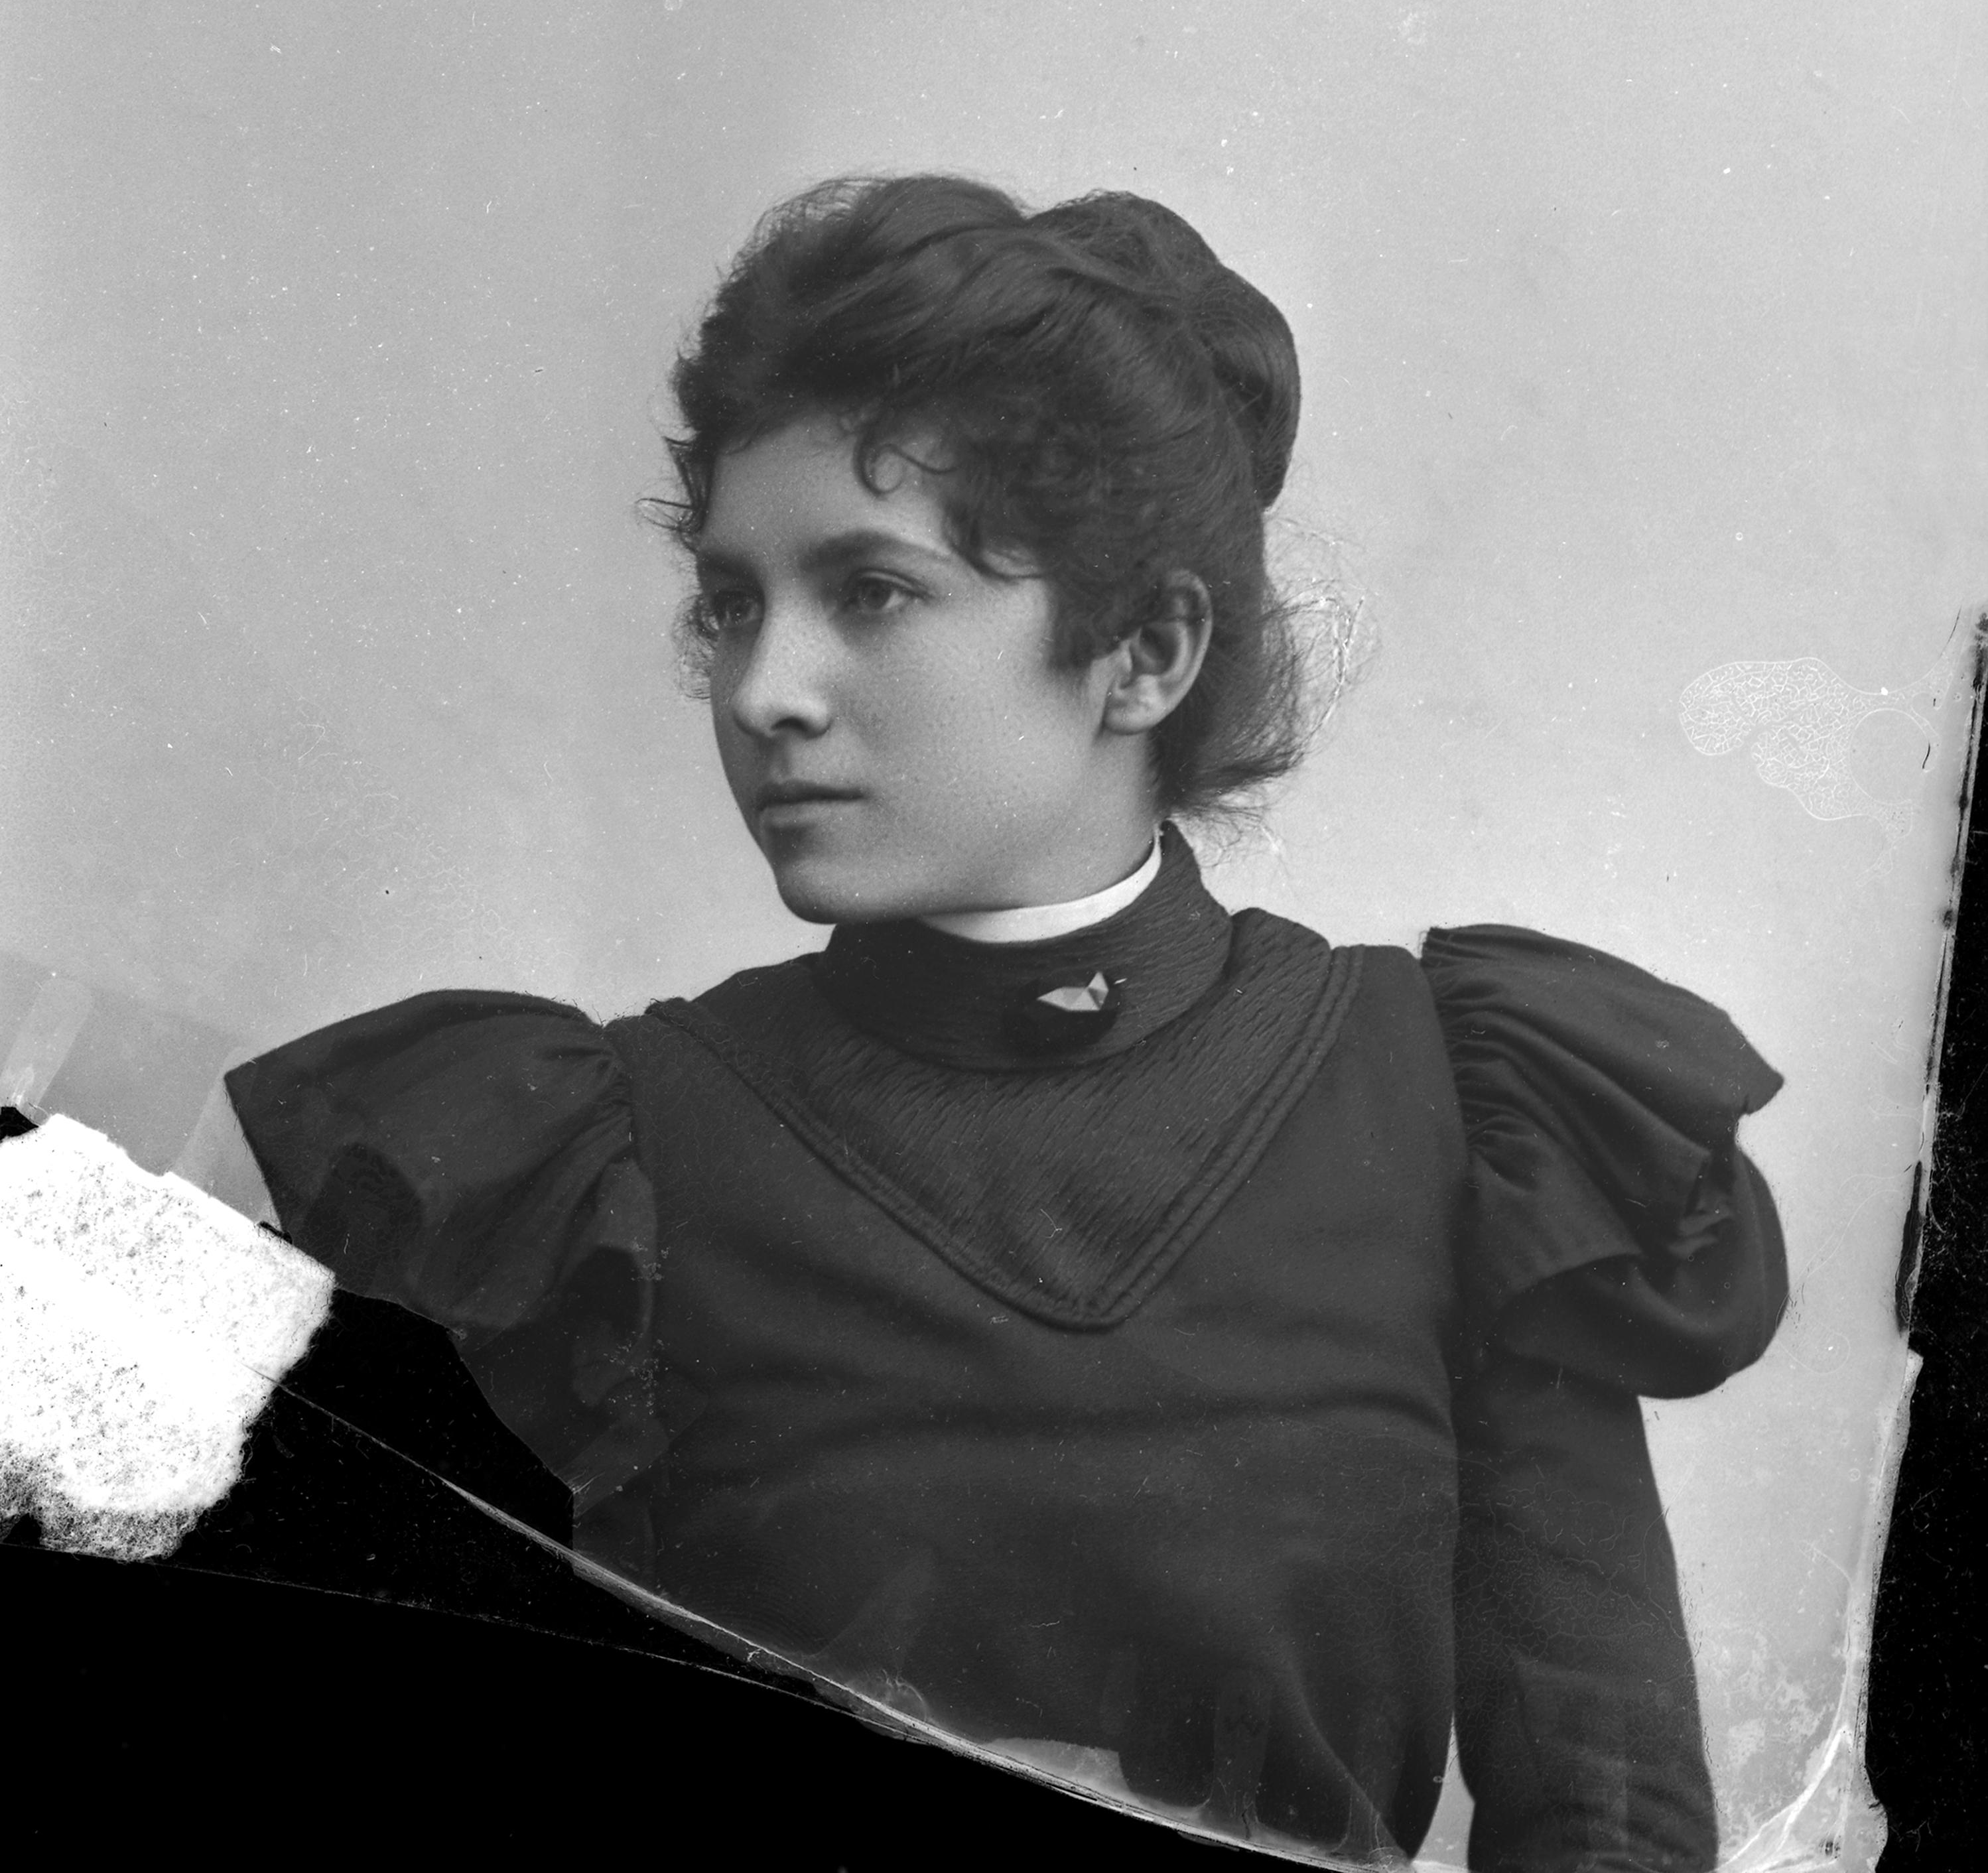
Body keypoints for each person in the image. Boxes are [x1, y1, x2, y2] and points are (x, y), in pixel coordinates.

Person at [213, 176, 1787, 1868]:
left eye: (870, 592)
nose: (762, 690)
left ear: (1143, 650)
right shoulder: (597, 1160)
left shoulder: (1447, 1108)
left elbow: (1607, 1820)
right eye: (734, 601)